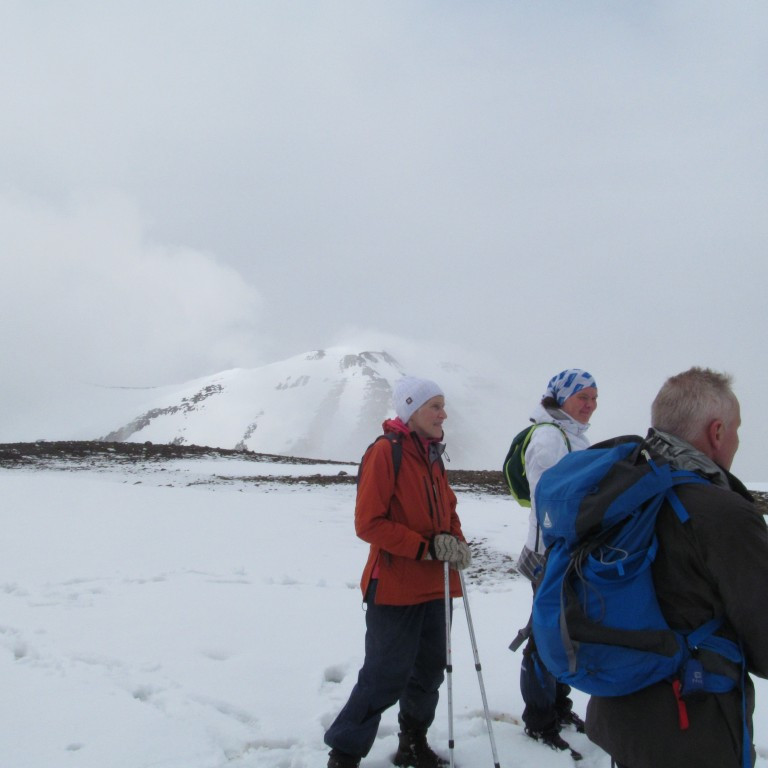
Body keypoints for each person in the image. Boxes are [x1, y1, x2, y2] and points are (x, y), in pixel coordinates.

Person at [586, 367, 768, 768]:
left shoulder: (617, 489)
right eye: (737, 429)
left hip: (620, 711)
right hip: (694, 726)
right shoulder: (724, 514)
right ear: (717, 432)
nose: (738, 440)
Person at [324, 376, 472, 768]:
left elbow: (448, 509)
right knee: (384, 674)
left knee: (429, 673)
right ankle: (344, 754)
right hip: (394, 585)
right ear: (411, 410)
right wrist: (425, 548)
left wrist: (456, 542)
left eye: (442, 405)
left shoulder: (432, 455)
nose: (443, 414)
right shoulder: (385, 453)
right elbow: (368, 523)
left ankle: (413, 743)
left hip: (436, 584)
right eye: (434, 406)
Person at [516, 369, 598, 753]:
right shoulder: (549, 437)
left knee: (565, 631)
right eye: (583, 396)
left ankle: (558, 707)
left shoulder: (572, 435)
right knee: (544, 636)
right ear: (561, 398)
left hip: (568, 551)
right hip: (549, 554)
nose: (590, 404)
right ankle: (539, 719)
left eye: (594, 398)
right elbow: (547, 500)